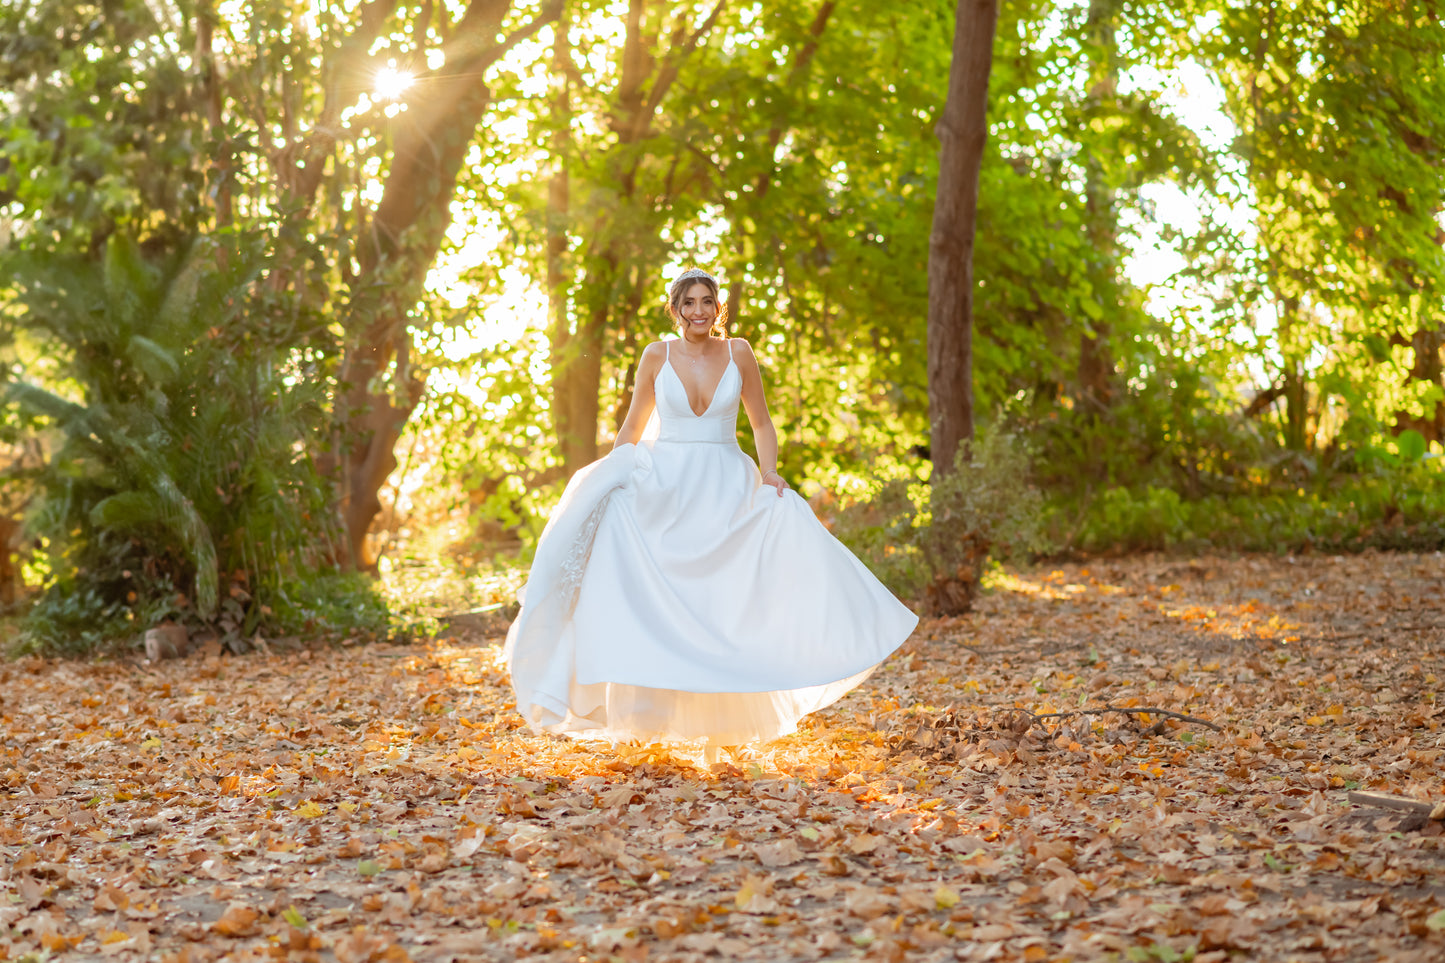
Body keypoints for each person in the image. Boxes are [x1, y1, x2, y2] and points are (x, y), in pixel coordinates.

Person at [503, 268, 917, 759]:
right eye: (689, 303)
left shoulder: (739, 351)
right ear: (675, 310)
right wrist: (618, 472)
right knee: (662, 591)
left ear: (717, 308)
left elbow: (761, 422)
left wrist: (769, 473)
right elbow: (633, 425)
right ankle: (654, 723)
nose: (698, 311)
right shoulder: (656, 355)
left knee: (725, 596)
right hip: (666, 485)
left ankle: (724, 732)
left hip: (726, 483)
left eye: (706, 302)